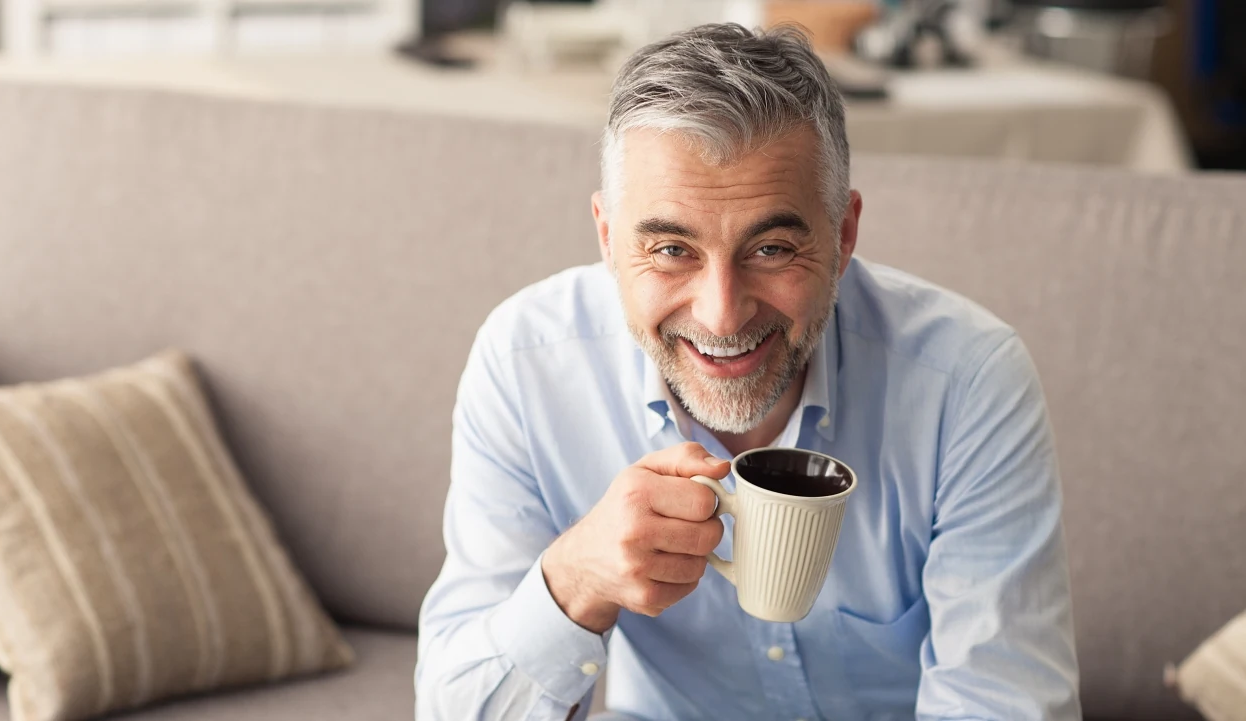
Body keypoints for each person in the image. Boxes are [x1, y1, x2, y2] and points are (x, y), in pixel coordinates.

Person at [415, 23, 1081, 721]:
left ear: (844, 234)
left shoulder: (968, 382)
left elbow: (1002, 704)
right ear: (609, 238)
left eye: (770, 248)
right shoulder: (526, 366)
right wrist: (576, 577)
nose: (723, 314)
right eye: (672, 248)